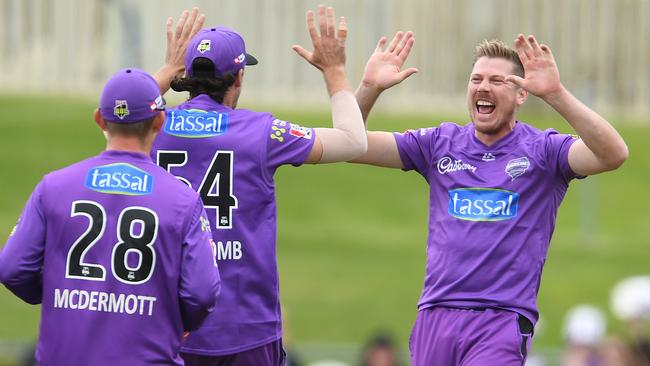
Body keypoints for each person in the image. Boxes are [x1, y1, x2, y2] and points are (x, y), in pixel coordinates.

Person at [351, 32, 629, 365]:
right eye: (476, 79)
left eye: (497, 80)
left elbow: (614, 153)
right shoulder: (439, 143)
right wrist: (369, 88)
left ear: (522, 93)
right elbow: (352, 144)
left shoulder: (543, 151)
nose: (483, 87)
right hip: (435, 313)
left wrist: (556, 94)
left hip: (501, 319)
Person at [151, 5, 366, 365]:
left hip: (168, 327)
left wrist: (165, 71)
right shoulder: (262, 132)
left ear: (186, 75)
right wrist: (335, 72)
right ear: (238, 79)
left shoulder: (152, 127)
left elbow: (118, 115)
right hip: (246, 328)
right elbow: (353, 140)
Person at [0, 67, 221, 365]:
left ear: (99, 119)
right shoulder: (183, 200)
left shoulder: (53, 187)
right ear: (159, 121)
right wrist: (181, 321)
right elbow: (202, 293)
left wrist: (60, 294)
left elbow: (13, 268)